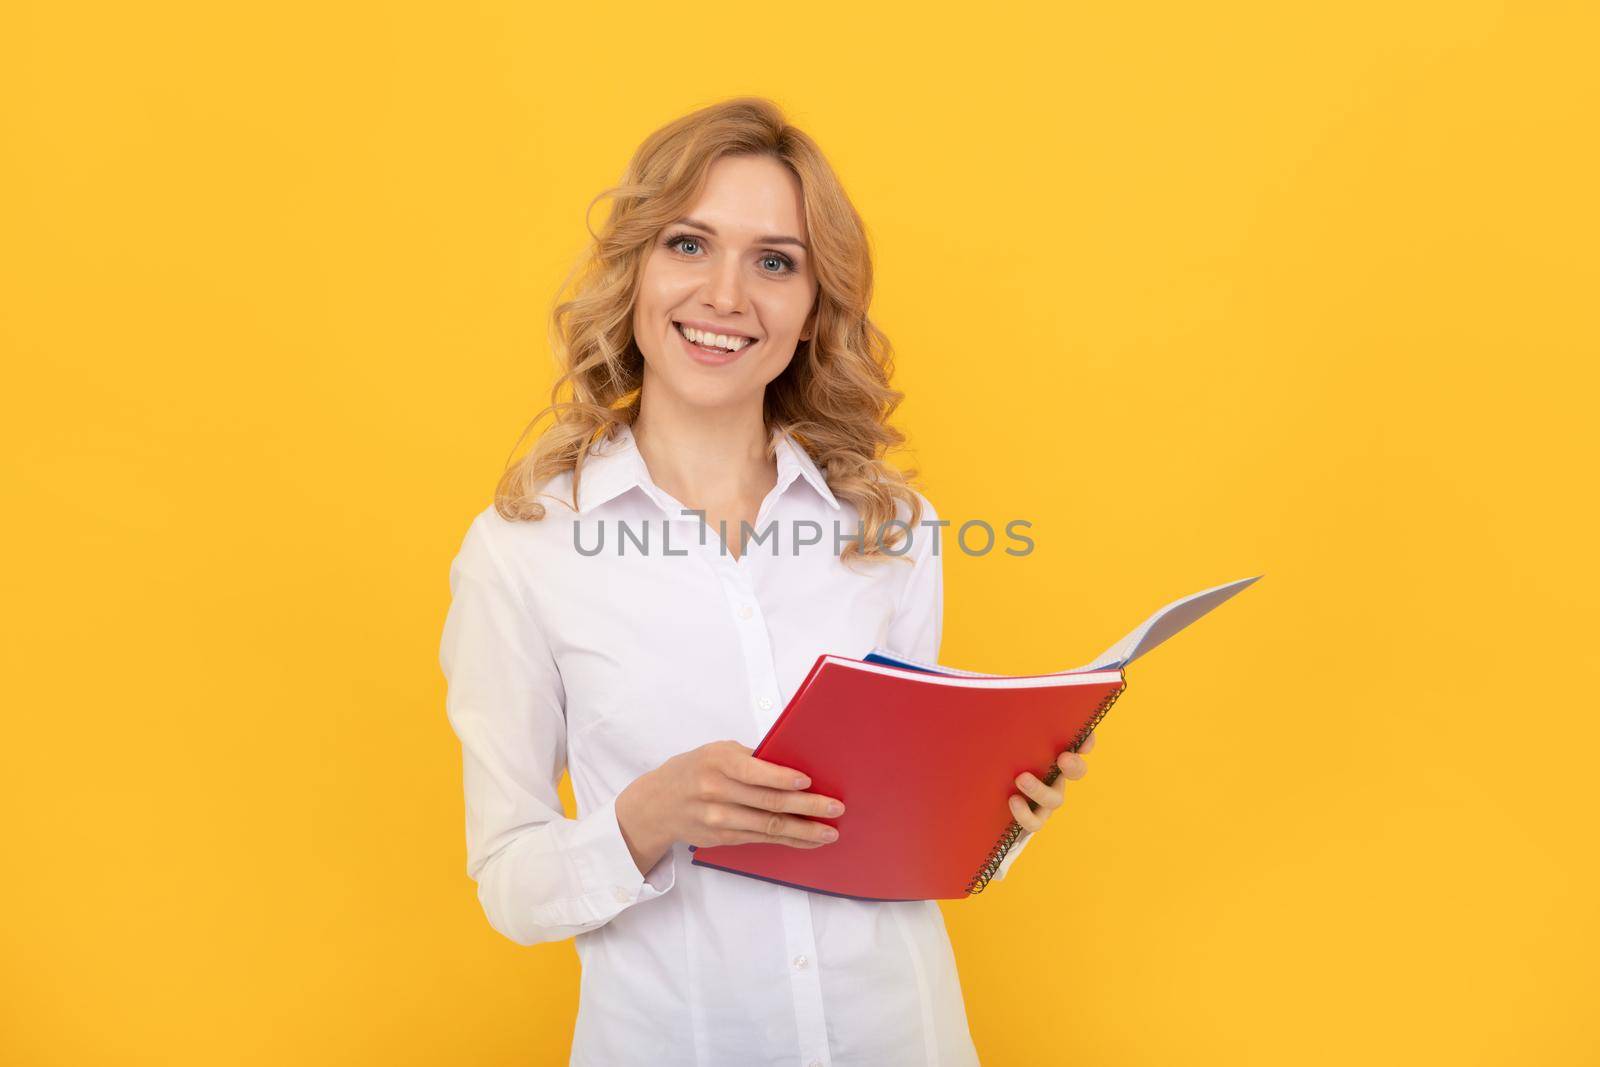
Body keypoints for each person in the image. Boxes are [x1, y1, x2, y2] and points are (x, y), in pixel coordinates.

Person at [438, 97, 1094, 1067]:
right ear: (633, 271)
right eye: (689, 244)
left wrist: (993, 812)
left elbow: (900, 831)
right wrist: (644, 818)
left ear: (812, 306)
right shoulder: (521, 549)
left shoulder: (890, 528)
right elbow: (511, 884)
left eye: (774, 261)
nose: (727, 295)